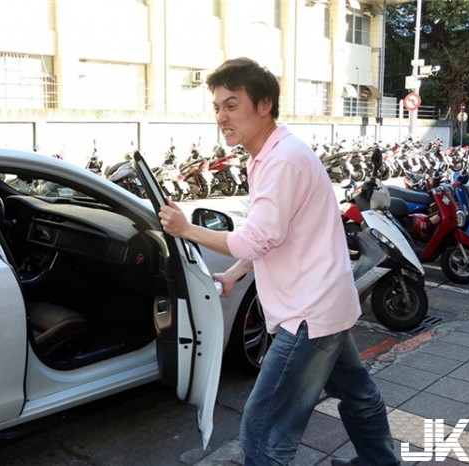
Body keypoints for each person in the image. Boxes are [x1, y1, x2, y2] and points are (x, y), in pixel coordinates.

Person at [158, 57, 399, 466]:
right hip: (324, 306)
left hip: (307, 315)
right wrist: (234, 274)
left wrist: (186, 229)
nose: (221, 117)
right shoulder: (269, 155)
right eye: (217, 107)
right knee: (358, 394)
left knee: (264, 429)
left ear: (264, 104)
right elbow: (273, 236)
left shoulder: (282, 159)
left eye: (231, 105)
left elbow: (254, 238)